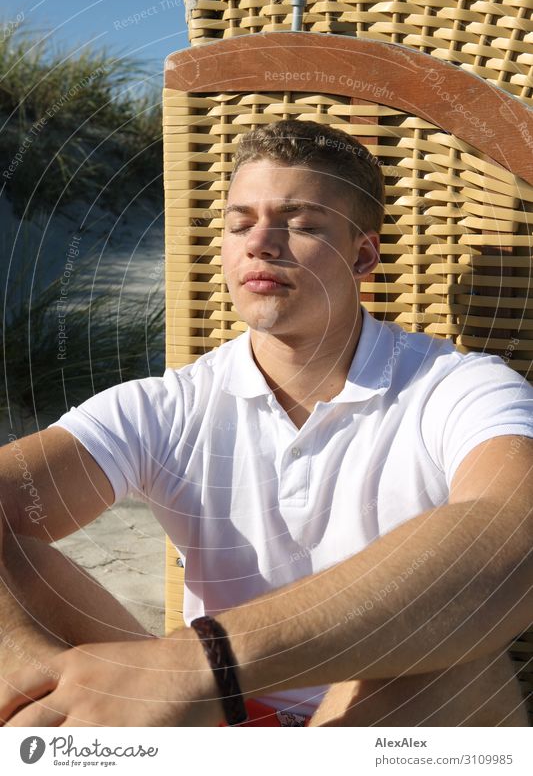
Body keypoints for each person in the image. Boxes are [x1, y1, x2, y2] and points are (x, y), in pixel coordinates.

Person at [0, 119, 532, 728]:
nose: (261, 243)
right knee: (17, 565)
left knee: (441, 648)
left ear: (363, 255)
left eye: (300, 223)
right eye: (238, 223)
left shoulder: (457, 386)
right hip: (217, 726)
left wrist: (196, 662)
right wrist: (48, 676)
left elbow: (515, 527)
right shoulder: (170, 406)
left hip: (379, 730)